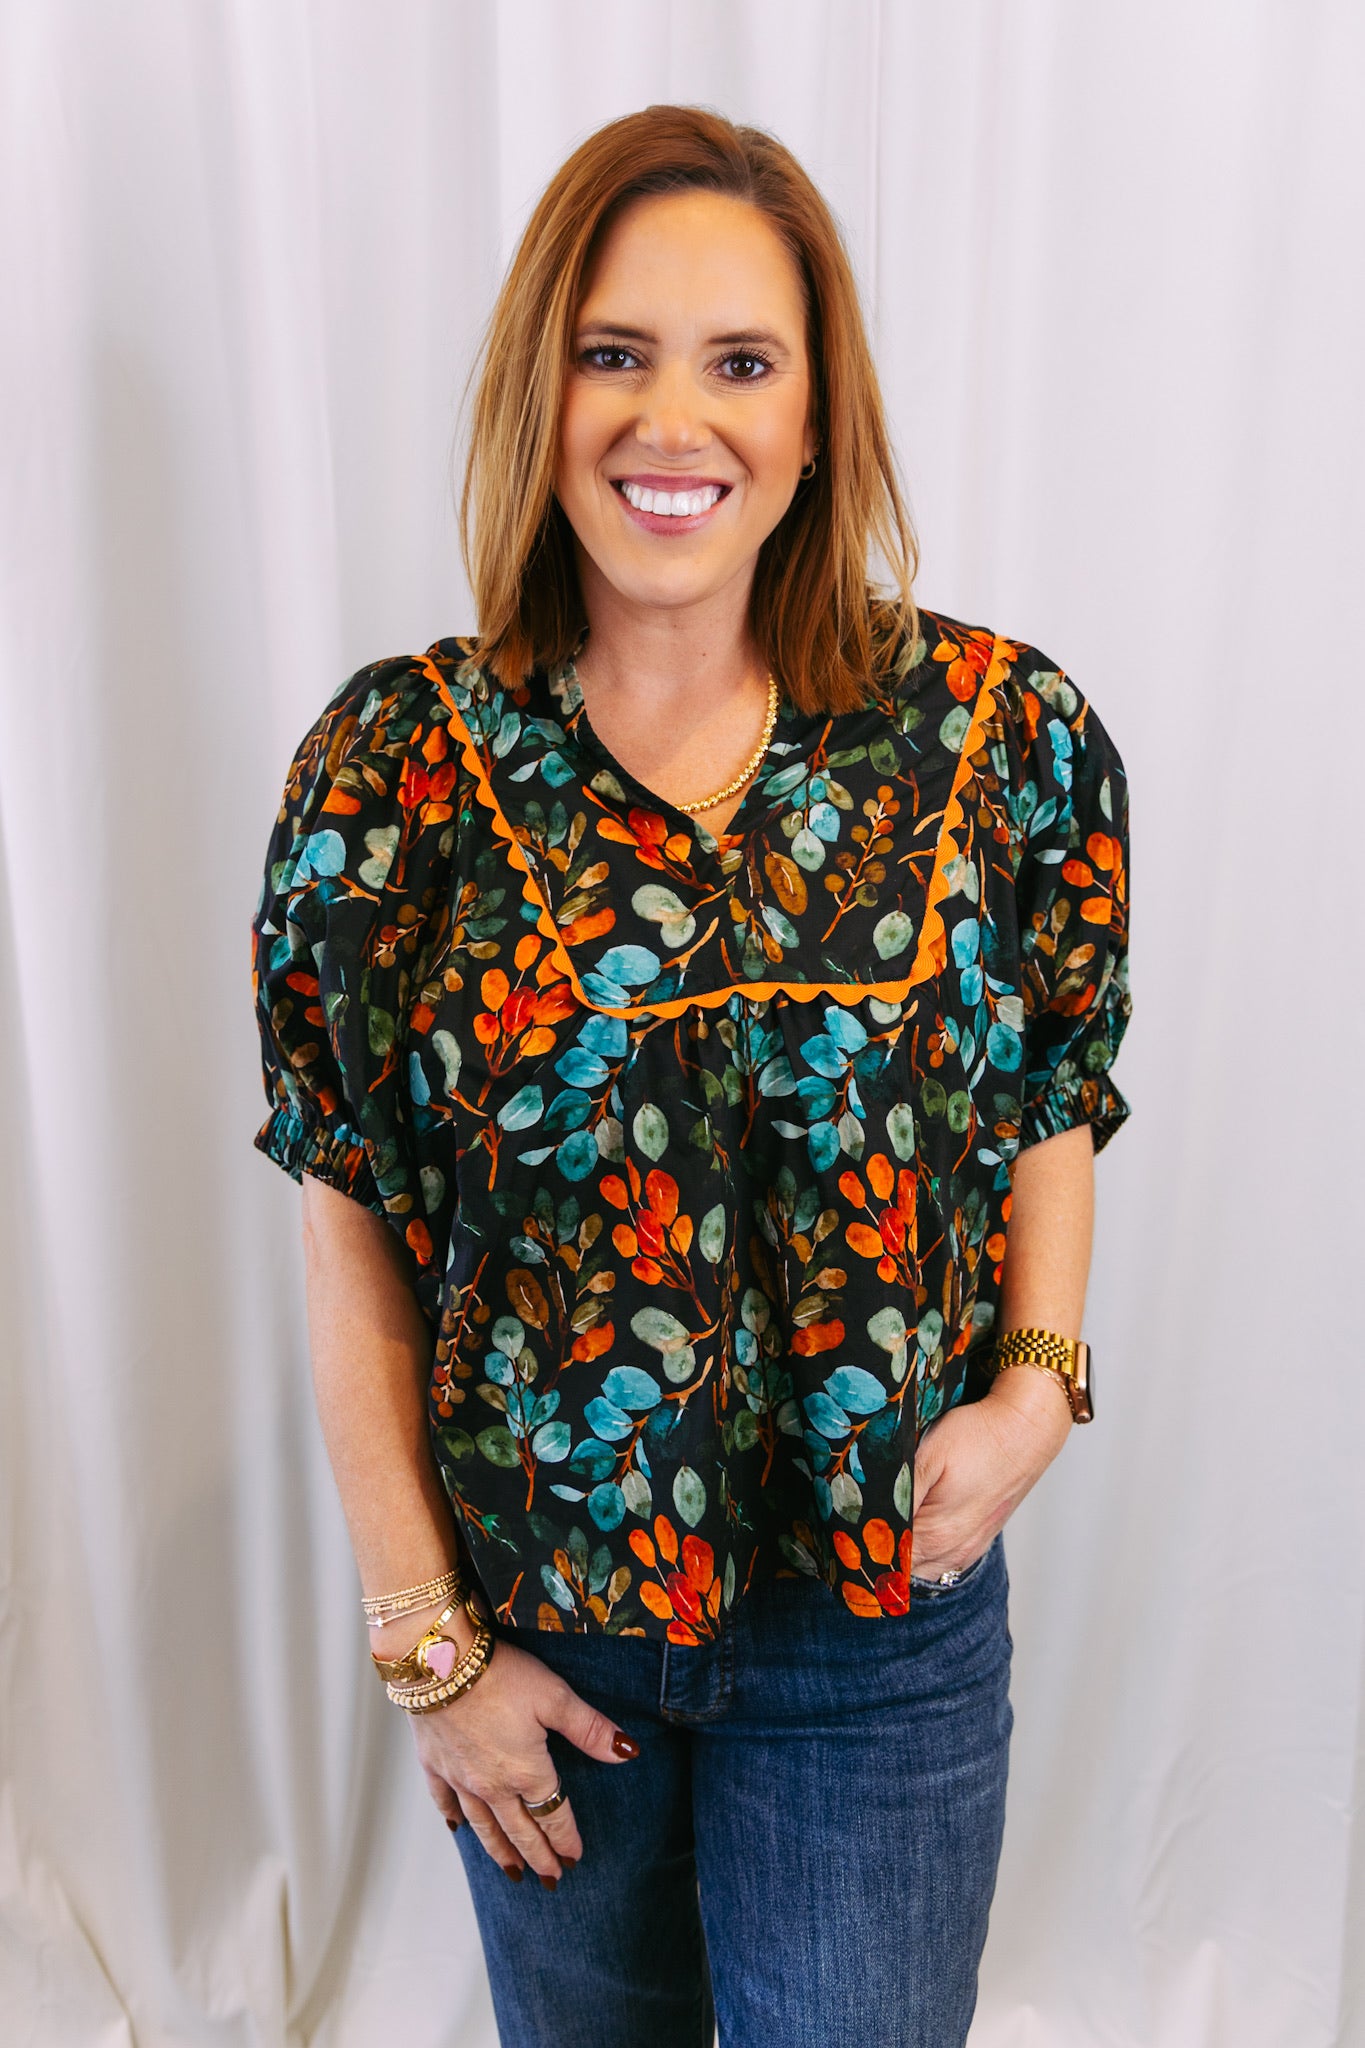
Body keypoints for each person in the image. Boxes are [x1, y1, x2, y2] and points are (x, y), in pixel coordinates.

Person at [250, 104, 1131, 2048]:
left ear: (814, 423)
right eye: (613, 353)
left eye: (741, 362)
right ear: (540, 392)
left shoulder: (990, 740)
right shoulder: (395, 780)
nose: (676, 421)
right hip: (541, 1642)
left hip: (873, 1636)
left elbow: (1050, 1079)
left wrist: (1033, 1389)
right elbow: (351, 1231)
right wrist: (428, 1647)